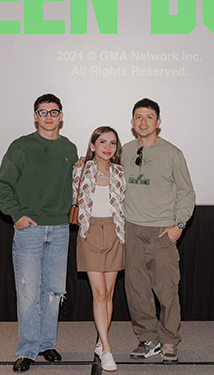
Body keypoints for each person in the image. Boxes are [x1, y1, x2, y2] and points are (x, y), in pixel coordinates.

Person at [0, 94, 78, 373]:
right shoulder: (20, 147)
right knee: (29, 292)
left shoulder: (69, 148)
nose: (48, 117)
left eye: (54, 112)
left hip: (60, 229)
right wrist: (16, 215)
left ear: (61, 116)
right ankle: (27, 350)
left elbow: (75, 187)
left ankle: (46, 344)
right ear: (35, 116)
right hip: (29, 230)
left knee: (54, 291)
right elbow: (3, 186)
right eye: (43, 112)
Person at [121, 98, 195, 363]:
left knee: (166, 291)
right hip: (131, 230)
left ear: (158, 122)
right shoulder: (125, 151)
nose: (143, 121)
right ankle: (148, 339)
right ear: (132, 122)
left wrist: (179, 225)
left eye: (149, 117)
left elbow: (186, 192)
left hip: (162, 231)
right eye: (139, 117)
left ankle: (169, 341)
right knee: (137, 291)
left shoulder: (173, 154)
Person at [72, 126, 126, 372]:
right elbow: (73, 199)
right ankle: (106, 348)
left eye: (112, 143)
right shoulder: (80, 170)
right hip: (89, 233)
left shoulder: (119, 172)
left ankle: (101, 342)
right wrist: (81, 164)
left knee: (110, 293)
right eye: (102, 142)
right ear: (93, 145)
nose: (107, 147)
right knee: (100, 293)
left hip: (115, 233)